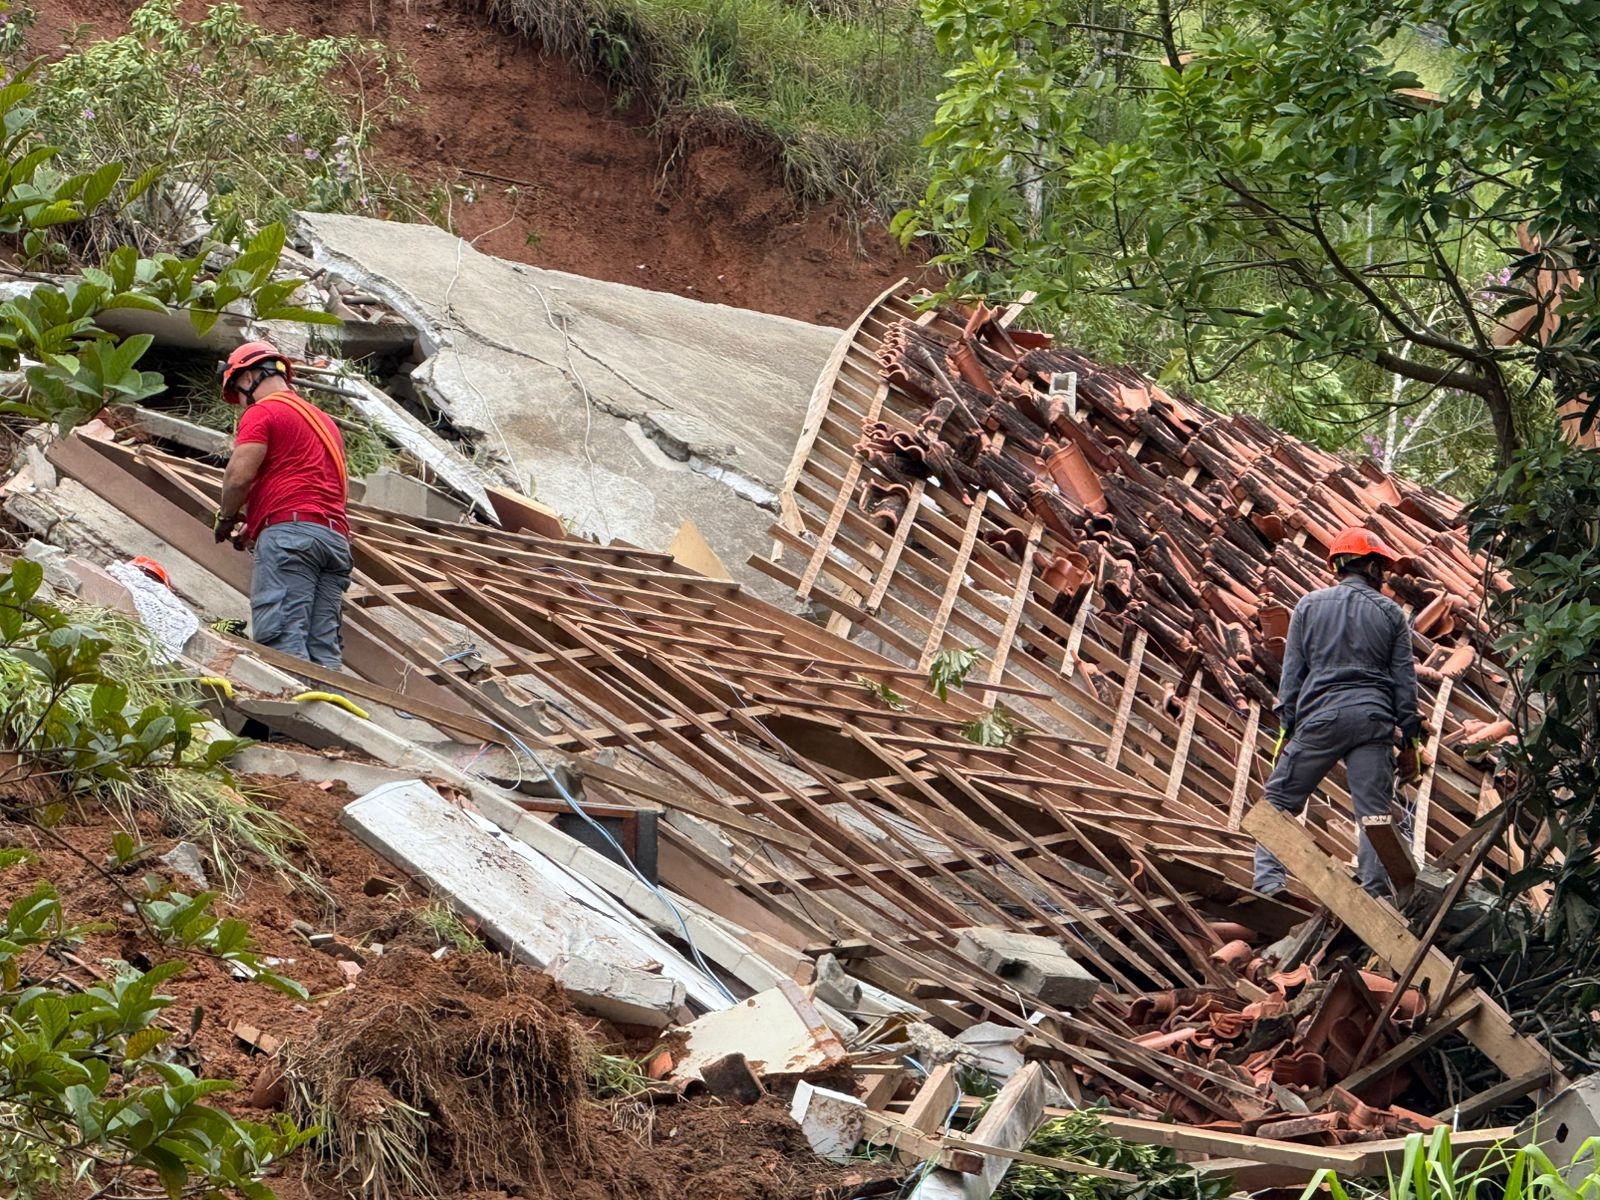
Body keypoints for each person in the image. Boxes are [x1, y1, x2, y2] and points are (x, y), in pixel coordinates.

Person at [1252, 527, 1425, 899]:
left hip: (1322, 718)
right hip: (1372, 720)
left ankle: (1268, 883)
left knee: (1278, 801)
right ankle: (1374, 895)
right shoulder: (1391, 614)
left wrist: (1287, 732)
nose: (1385, 576)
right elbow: (1404, 683)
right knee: (1373, 814)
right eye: (1381, 566)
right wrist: (1410, 741)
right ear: (1371, 567)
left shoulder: (1309, 605)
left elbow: (1292, 675)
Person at [212, 340, 353, 670]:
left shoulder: (263, 412)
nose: (242, 403)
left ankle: (289, 715)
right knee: (322, 649)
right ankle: (326, 716)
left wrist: (226, 515)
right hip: (333, 542)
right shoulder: (324, 422)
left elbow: (237, 477)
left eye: (238, 390)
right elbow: (310, 484)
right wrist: (261, 520)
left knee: (281, 641)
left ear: (247, 377)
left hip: (293, 540)